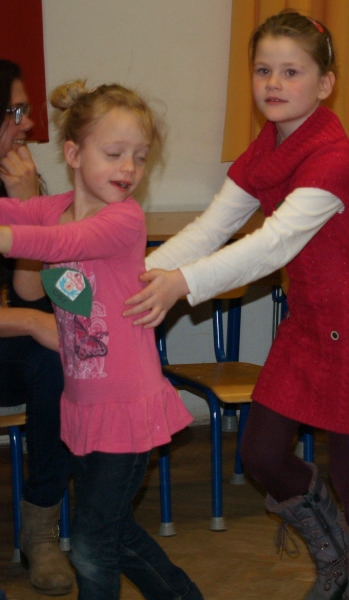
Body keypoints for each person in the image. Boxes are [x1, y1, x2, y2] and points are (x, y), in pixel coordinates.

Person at [122, 11, 349, 600]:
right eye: (263, 70)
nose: (273, 83)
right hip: (309, 324)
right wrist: (140, 277)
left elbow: (270, 246)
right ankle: (337, 561)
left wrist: (180, 285)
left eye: (291, 72)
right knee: (261, 453)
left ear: (325, 84)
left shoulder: (334, 156)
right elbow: (213, 227)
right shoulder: (269, 145)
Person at [0, 79, 202, 599]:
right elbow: (16, 215)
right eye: (114, 154)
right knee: (115, 533)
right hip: (84, 405)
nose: (129, 168)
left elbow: (59, 242)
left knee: (91, 542)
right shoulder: (54, 208)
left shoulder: (123, 220)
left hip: (125, 408)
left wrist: (7, 238)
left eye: (140, 156)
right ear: (73, 154)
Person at [0, 58, 73, 596]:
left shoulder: (17, 180)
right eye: (16, 111)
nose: (27, 124)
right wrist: (29, 320)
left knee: (57, 360)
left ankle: (41, 524)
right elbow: (30, 311)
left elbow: (40, 291)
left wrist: (28, 208)